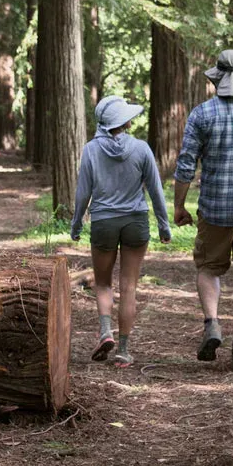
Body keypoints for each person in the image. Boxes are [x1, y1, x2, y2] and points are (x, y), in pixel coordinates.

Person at [172, 49, 233, 372]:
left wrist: (179, 205)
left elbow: (186, 165)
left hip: (214, 210)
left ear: (218, 80)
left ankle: (212, 322)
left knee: (208, 268)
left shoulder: (202, 114)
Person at [71, 96, 172, 368]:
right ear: (124, 122)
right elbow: (155, 191)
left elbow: (83, 193)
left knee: (103, 283)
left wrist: (77, 223)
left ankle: (105, 333)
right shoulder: (141, 149)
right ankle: (124, 352)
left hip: (103, 222)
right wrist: (164, 225)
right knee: (129, 287)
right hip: (136, 222)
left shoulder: (91, 150)